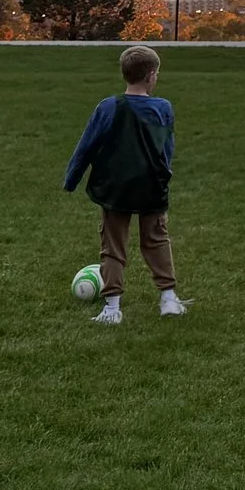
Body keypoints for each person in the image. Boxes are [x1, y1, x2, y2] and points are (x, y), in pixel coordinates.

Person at [63, 44, 187, 325]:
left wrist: (72, 179)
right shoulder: (163, 108)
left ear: (125, 74)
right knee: (156, 240)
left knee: (113, 245)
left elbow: (86, 146)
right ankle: (168, 299)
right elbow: (166, 148)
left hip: (114, 188)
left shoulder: (107, 106)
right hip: (151, 187)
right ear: (151, 75)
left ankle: (112, 308)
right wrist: (165, 175)